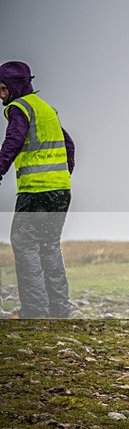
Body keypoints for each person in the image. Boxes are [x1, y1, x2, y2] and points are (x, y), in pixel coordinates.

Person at [0, 61, 74, 318]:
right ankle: (59, 310)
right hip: (60, 191)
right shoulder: (45, 109)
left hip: (36, 193)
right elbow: (68, 144)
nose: (1, 95)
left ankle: (35, 311)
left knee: (25, 244)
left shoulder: (19, 108)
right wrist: (63, 176)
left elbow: (14, 140)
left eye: (3, 88)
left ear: (15, 86)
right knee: (49, 246)